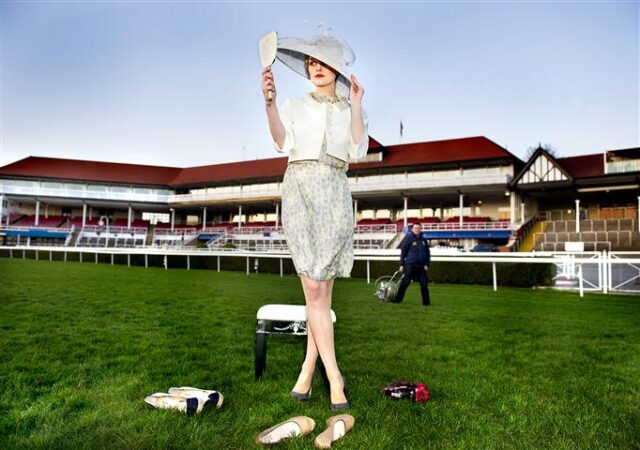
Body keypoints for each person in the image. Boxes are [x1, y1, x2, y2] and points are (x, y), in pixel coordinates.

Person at [261, 32, 368, 411]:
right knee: (314, 293)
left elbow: (358, 149)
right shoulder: (294, 104)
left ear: (336, 68)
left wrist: (355, 104)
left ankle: (311, 368)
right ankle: (329, 375)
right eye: (311, 63)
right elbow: (279, 142)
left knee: (319, 294)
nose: (316, 68)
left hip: (334, 192)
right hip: (299, 189)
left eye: (322, 62)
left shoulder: (349, 108)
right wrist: (270, 104)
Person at [393, 222, 431, 306]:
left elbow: (427, 253)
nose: (417, 230)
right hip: (410, 265)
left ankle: (426, 303)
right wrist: (402, 264)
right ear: (412, 229)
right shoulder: (408, 239)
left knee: (424, 285)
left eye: (418, 228)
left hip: (421, 266)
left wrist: (427, 264)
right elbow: (403, 252)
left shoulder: (424, 240)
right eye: (415, 228)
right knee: (405, 283)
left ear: (420, 229)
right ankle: (398, 300)